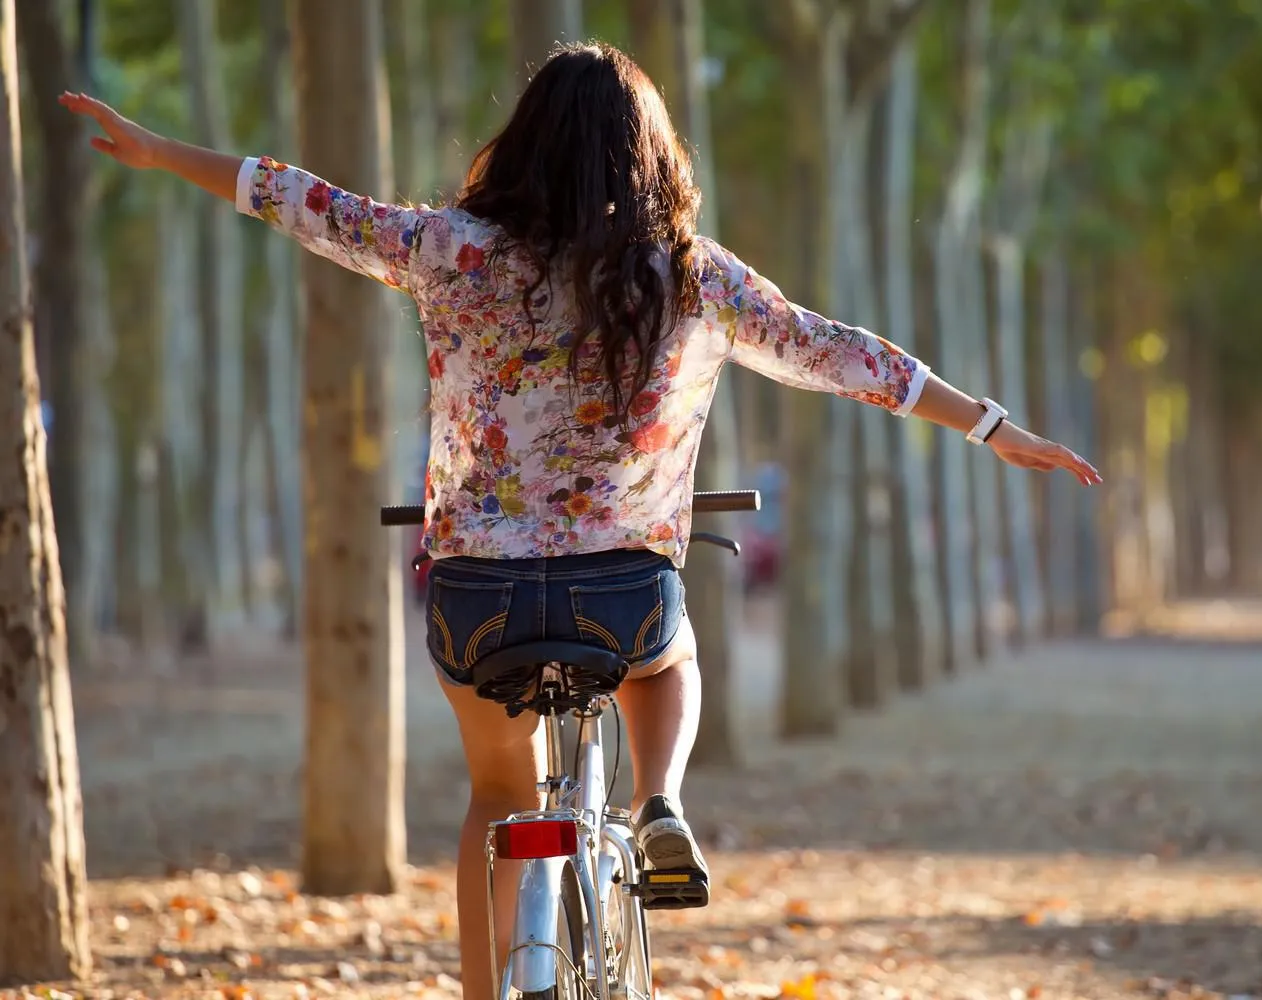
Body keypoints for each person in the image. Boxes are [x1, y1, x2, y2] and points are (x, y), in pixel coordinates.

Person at [61, 41, 1099, 999]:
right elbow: (839, 351)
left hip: (475, 600)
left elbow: (298, 198)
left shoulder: (448, 249)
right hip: (624, 598)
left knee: (494, 798)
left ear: (519, 143)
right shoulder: (691, 274)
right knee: (670, 652)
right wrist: (992, 425)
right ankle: (660, 801)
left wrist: (158, 151)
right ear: (650, 155)